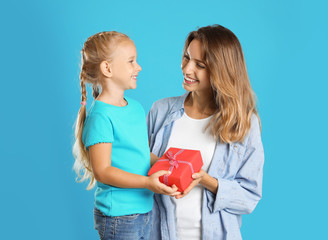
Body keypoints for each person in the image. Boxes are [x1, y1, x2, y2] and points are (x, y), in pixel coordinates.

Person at [147, 25, 264, 240]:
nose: (187, 69)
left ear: (222, 71)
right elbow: (136, 169)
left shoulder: (244, 122)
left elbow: (249, 197)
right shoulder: (160, 111)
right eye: (186, 57)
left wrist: (206, 180)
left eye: (200, 65)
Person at [72, 31, 179, 240]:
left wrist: (167, 163)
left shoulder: (136, 108)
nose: (138, 67)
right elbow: (103, 172)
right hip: (118, 218)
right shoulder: (101, 117)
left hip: (144, 211)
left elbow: (140, 154)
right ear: (107, 68)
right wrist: (147, 183)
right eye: (131, 61)